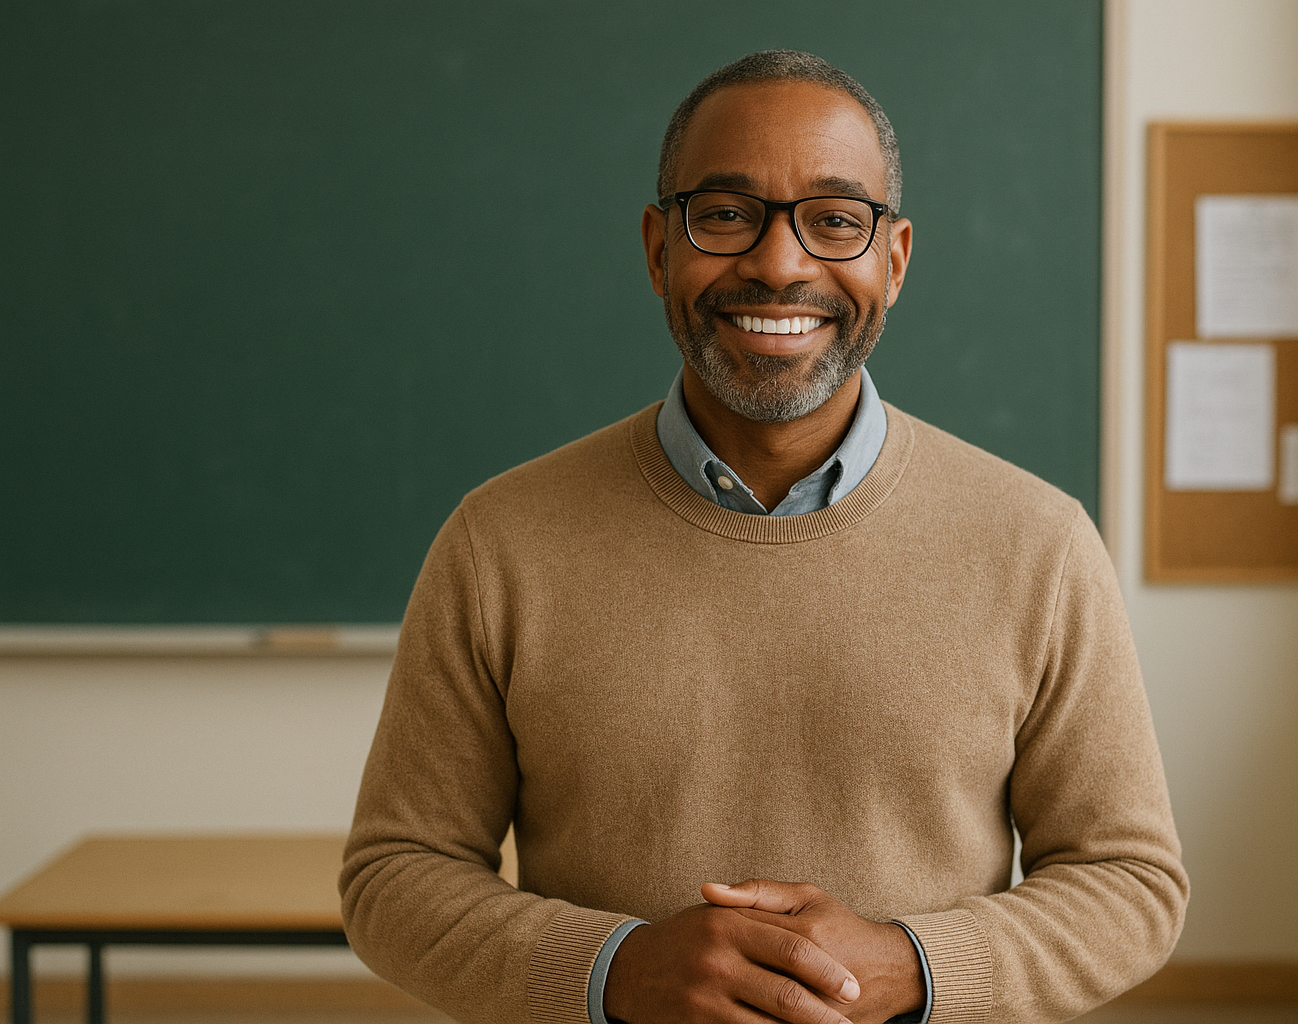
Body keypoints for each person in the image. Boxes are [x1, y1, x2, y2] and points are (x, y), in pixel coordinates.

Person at [341, 50, 1187, 1024]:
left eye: (834, 220)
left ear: (894, 260)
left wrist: (911, 965)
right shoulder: (500, 541)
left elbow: (1130, 884)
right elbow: (395, 877)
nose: (780, 264)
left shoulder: (1039, 544)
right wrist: (612, 969)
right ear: (659, 248)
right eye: (728, 214)